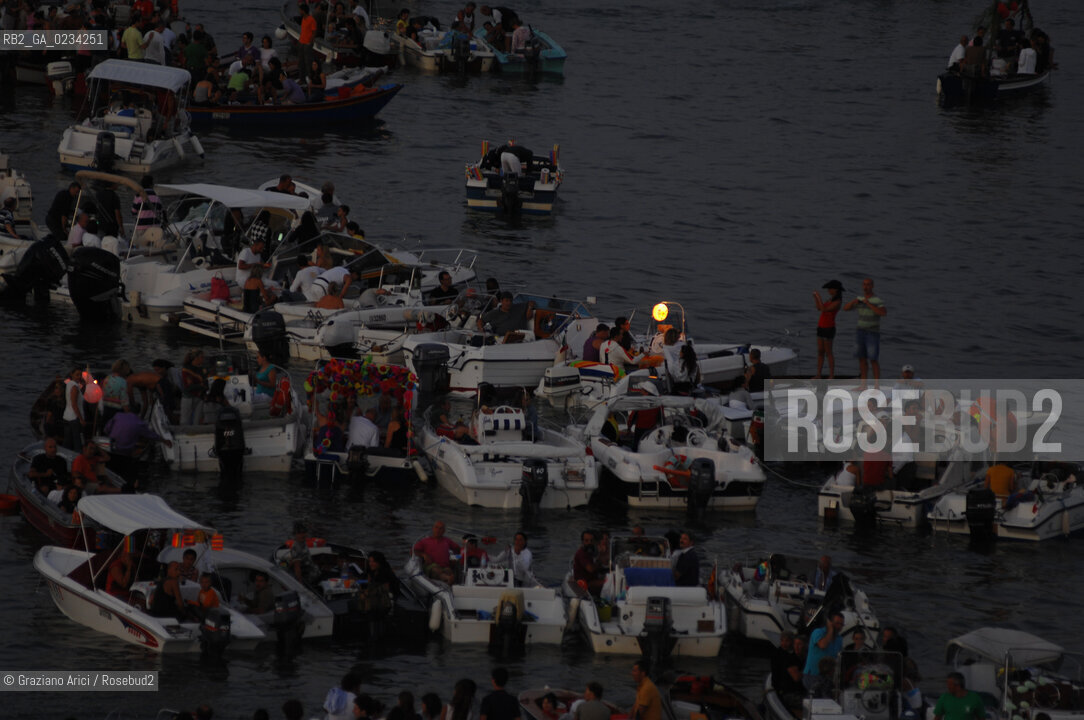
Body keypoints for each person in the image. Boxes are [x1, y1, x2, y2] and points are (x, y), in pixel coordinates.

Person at [843, 278, 887, 388]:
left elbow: (882, 313)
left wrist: (869, 304)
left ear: (872, 286)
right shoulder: (860, 299)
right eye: (864, 284)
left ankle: (876, 385)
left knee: (873, 359)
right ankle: (863, 385)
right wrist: (854, 302)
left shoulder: (877, 300)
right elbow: (845, 308)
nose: (865, 287)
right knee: (861, 359)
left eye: (868, 285)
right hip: (860, 331)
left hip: (872, 332)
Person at [803, 612, 844, 690]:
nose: (839, 626)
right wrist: (830, 630)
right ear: (830, 623)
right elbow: (822, 645)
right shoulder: (818, 632)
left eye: (841, 624)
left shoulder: (839, 639)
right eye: (837, 623)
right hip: (813, 675)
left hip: (828, 676)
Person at [413, 520, 461, 584]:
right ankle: (447, 578)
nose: (438, 530)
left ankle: (448, 582)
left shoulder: (447, 541)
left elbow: (458, 549)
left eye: (441, 528)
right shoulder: (425, 541)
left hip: (445, 566)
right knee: (436, 570)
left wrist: (454, 558)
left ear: (444, 531)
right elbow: (413, 551)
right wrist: (423, 555)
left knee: (448, 571)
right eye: (436, 527)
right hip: (431, 566)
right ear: (433, 529)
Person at [814, 280, 844, 378]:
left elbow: (824, 309)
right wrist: (816, 298)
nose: (828, 291)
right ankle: (818, 374)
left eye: (830, 289)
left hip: (829, 328)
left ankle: (831, 376)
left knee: (828, 352)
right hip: (821, 326)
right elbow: (819, 308)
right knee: (820, 352)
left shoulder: (837, 302)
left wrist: (819, 297)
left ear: (835, 290)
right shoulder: (830, 300)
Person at [771, 632, 806, 713]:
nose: (784, 643)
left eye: (787, 641)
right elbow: (796, 677)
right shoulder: (783, 656)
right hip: (786, 691)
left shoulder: (794, 656)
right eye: (782, 641)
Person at [572, 530, 604, 596]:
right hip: (585, 584)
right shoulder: (581, 554)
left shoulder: (590, 552)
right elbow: (590, 569)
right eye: (586, 540)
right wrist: (599, 561)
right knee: (607, 582)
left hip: (591, 580)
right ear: (582, 541)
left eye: (591, 540)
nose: (589, 543)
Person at [61, 367, 86, 452]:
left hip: (67, 417)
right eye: (77, 375)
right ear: (72, 374)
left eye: (80, 375)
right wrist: (81, 419)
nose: (79, 377)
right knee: (77, 443)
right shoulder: (74, 387)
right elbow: (74, 404)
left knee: (67, 442)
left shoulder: (69, 384)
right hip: (74, 419)